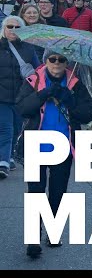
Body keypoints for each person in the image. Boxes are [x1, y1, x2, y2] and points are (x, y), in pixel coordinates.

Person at [16, 49, 92, 258]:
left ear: (67, 63)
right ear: (46, 61)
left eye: (62, 60)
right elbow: (22, 108)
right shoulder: (33, 79)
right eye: (53, 59)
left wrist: (69, 100)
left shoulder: (75, 83)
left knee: (58, 192)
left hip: (63, 146)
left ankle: (53, 231)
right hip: (36, 145)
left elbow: (89, 113)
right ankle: (33, 239)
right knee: (36, 193)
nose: (57, 63)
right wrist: (43, 94)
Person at [0, 16, 40, 178]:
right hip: (1, 96)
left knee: (17, 128)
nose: (13, 30)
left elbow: (38, 71)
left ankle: (8, 156)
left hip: (20, 96)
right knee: (6, 129)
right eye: (10, 26)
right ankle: (2, 162)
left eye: (17, 27)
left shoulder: (28, 48)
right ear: (3, 28)